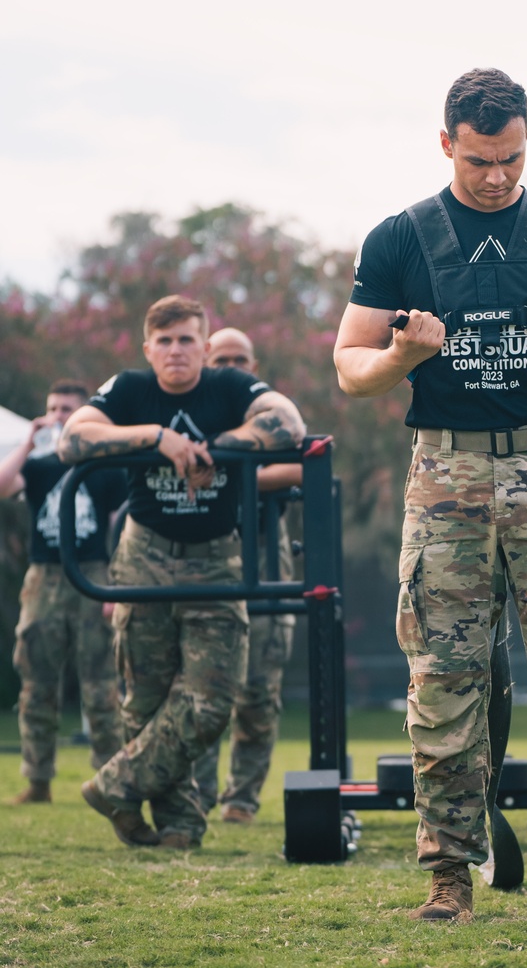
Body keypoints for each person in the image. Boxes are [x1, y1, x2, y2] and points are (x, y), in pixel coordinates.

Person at [334, 67, 527, 920]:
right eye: (478, 160)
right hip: (448, 473)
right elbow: (351, 367)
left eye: (509, 157)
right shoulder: (399, 239)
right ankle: (446, 876)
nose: (496, 175)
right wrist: (401, 359)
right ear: (446, 145)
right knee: (443, 680)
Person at [58, 295, 305, 850]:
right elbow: (72, 438)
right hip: (144, 554)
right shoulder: (129, 389)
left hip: (216, 556)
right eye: (164, 341)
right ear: (148, 348)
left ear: (205, 346)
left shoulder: (226, 389)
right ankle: (181, 824)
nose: (175, 351)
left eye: (186, 339)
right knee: (145, 701)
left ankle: (115, 785)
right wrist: (155, 438)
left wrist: (218, 448)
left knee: (211, 699)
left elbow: (287, 425)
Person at [191, 326, 300, 824]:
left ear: (253, 367)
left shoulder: (271, 412)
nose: (232, 367)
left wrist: (230, 475)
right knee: (201, 687)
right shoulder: (196, 411)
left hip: (265, 554)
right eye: (222, 358)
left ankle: (241, 800)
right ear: (207, 362)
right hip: (204, 555)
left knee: (259, 689)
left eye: (241, 359)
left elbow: (303, 464)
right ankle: (196, 794)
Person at [0, 380, 125, 804]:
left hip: (92, 573)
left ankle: (110, 781)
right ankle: (38, 781)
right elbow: (2, 484)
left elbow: (116, 525)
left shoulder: (100, 466)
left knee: (101, 684)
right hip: (44, 577)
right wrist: (30, 440)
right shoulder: (37, 466)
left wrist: (114, 584)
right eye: (52, 408)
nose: (57, 415)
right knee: (36, 683)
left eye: (66, 409)